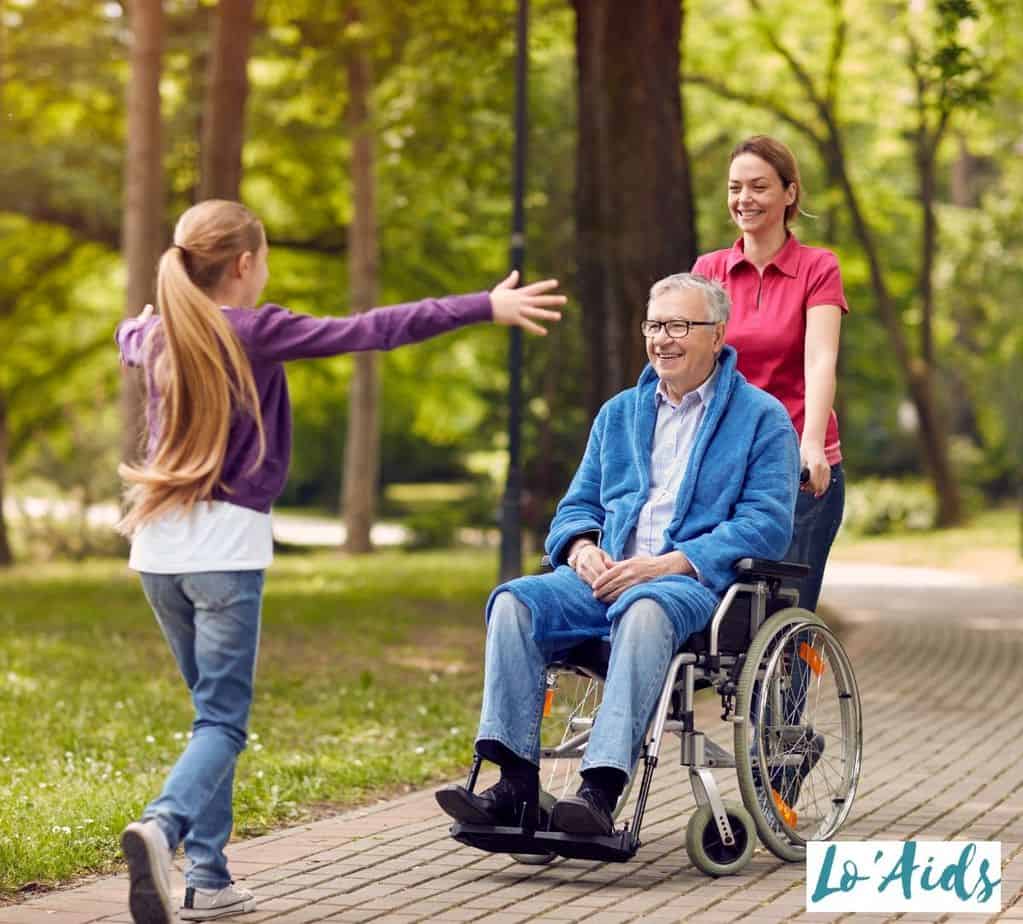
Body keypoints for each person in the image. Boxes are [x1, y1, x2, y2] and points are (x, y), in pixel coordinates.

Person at [115, 199, 565, 924]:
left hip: (158, 552)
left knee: (209, 719)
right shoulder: (254, 330)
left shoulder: (156, 334)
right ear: (243, 264)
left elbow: (126, 334)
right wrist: (484, 304)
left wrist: (140, 321)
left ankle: (207, 877)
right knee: (223, 724)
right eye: (262, 260)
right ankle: (163, 830)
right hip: (223, 551)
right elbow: (374, 330)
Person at [436, 273, 799, 836]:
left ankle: (599, 791)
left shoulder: (761, 418)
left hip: (687, 586)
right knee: (514, 602)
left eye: (679, 325)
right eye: (654, 326)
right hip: (600, 578)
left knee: (646, 607)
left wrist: (672, 562)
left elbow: (767, 524)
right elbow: (576, 504)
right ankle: (514, 784)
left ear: (717, 334)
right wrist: (580, 548)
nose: (663, 339)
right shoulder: (619, 414)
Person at [692, 135, 848, 614]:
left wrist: (812, 442)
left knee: (785, 615)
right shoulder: (709, 269)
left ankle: (788, 692)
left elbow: (820, 357)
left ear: (790, 193)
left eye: (759, 186)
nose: (744, 199)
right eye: (735, 187)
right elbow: (693, 364)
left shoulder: (817, 267)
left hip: (797, 465)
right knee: (717, 615)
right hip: (724, 463)